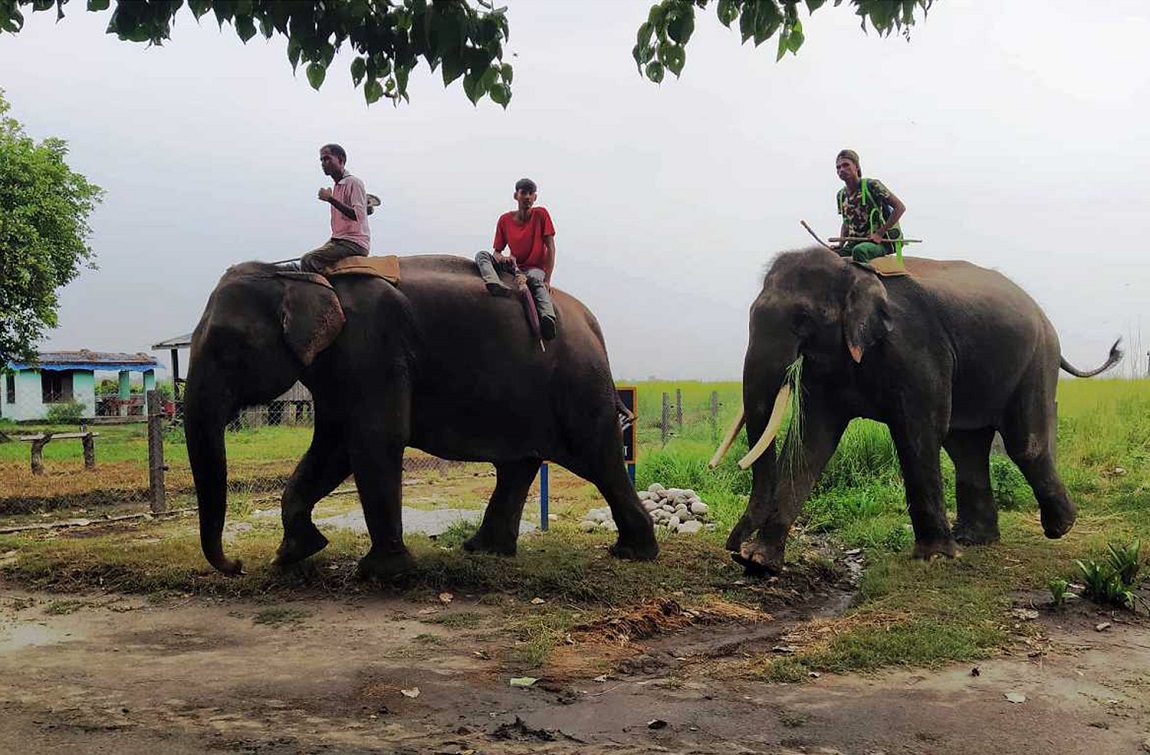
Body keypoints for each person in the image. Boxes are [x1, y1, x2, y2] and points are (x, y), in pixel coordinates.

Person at [475, 177, 558, 340]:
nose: (527, 197)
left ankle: (547, 317)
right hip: (514, 267)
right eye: (523, 193)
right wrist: (503, 258)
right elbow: (497, 252)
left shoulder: (541, 214)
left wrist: (547, 279)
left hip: (535, 269)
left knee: (536, 284)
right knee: (481, 255)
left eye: (531, 193)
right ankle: (494, 283)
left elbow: (551, 248)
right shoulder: (505, 220)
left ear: (535, 197)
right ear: (516, 196)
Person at [300, 144, 371, 274]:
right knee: (298, 265)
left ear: (340, 159)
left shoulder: (354, 183)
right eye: (321, 160)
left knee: (308, 260)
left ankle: (324, 287)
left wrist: (330, 199)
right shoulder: (337, 186)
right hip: (338, 240)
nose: (323, 163)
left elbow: (357, 216)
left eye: (327, 158)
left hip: (353, 243)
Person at [834, 149, 906, 263]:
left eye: (846, 165)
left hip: (879, 242)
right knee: (829, 256)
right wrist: (840, 244)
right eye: (838, 167)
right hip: (855, 242)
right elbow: (846, 222)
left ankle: (870, 274)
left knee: (859, 251)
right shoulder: (841, 195)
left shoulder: (872, 185)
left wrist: (879, 233)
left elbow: (900, 207)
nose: (841, 169)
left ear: (856, 166)